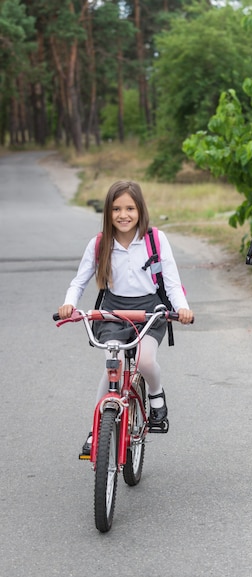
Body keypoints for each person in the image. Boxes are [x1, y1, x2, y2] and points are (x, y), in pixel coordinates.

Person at [58, 180, 193, 454]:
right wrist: (69, 304)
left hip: (149, 310)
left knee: (144, 360)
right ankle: (96, 432)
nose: (123, 215)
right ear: (107, 213)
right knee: (114, 364)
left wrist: (182, 308)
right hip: (112, 311)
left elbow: (171, 281)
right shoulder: (99, 244)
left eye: (130, 208)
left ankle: (155, 393)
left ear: (140, 210)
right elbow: (79, 281)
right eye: (116, 209)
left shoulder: (155, 240)